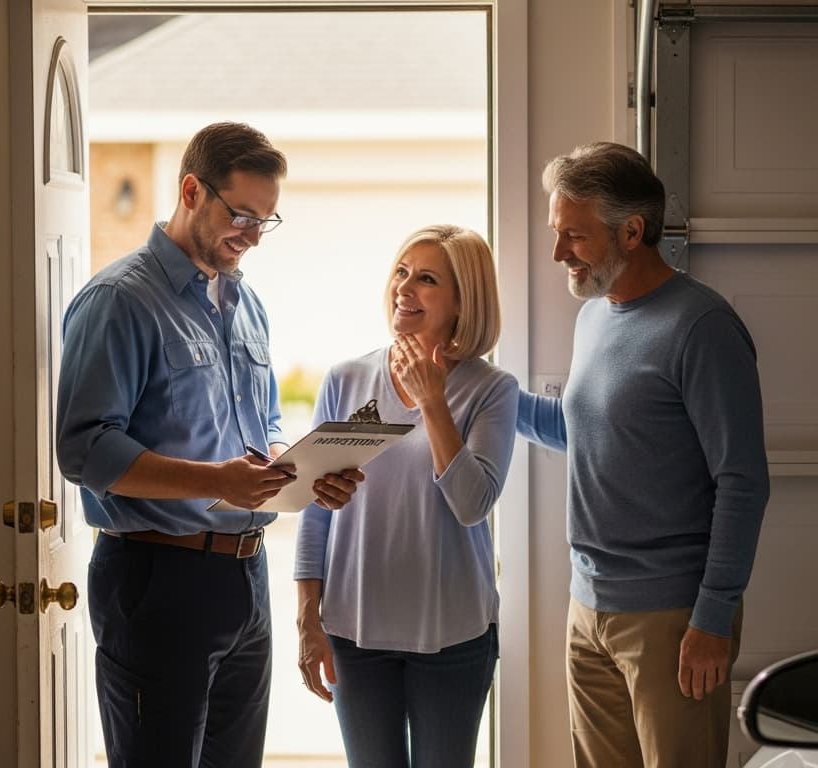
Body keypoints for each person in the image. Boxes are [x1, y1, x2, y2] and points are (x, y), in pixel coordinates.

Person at [56, 122, 363, 767]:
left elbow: (266, 424)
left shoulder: (246, 302)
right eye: (242, 215)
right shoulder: (120, 300)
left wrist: (301, 473)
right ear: (191, 190)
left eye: (266, 222)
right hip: (155, 578)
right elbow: (84, 450)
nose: (252, 237)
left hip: (247, 578)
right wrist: (214, 481)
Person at [516, 141, 770, 767]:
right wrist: (482, 392)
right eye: (557, 233)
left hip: (671, 618)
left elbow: (743, 482)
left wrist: (712, 620)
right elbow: (588, 431)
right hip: (588, 608)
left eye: (572, 236)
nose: (557, 254)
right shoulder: (596, 316)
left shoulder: (701, 327)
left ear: (631, 231)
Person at [294, 225, 517, 767]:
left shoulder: (492, 391)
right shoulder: (346, 379)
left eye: (427, 279)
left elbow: (472, 503)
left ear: (464, 301)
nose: (405, 287)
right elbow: (317, 511)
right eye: (401, 272)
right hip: (355, 631)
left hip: (452, 635)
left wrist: (433, 403)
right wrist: (307, 618)